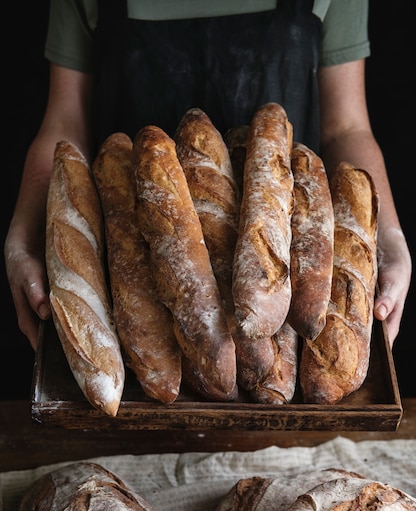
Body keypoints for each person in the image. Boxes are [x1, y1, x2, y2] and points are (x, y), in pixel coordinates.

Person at [4, 0, 412, 354]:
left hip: (289, 289)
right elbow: (64, 123)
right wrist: (22, 236)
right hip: (130, 272)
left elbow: (346, 129)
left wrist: (390, 236)